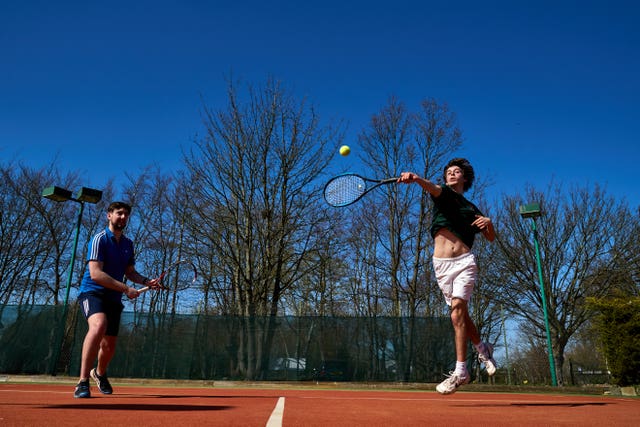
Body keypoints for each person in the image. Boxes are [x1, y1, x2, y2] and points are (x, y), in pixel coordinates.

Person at [397, 158, 497, 395]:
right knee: (459, 315)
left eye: (457, 172)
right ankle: (482, 348)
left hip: (464, 262)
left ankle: (461, 371)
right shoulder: (442, 195)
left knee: (458, 313)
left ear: (465, 178)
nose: (451, 174)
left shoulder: (472, 209)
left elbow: (490, 238)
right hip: (441, 265)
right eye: (449, 172)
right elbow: (432, 188)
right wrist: (417, 178)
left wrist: (489, 223)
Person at [74, 201, 159, 398]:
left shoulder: (128, 244)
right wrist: (127, 289)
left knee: (109, 346)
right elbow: (96, 274)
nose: (123, 217)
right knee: (98, 326)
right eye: (119, 213)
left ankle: (99, 373)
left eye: (126, 215)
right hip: (92, 293)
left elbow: (129, 272)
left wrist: (146, 281)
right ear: (109, 215)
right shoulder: (99, 239)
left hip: (114, 298)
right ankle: (82, 381)